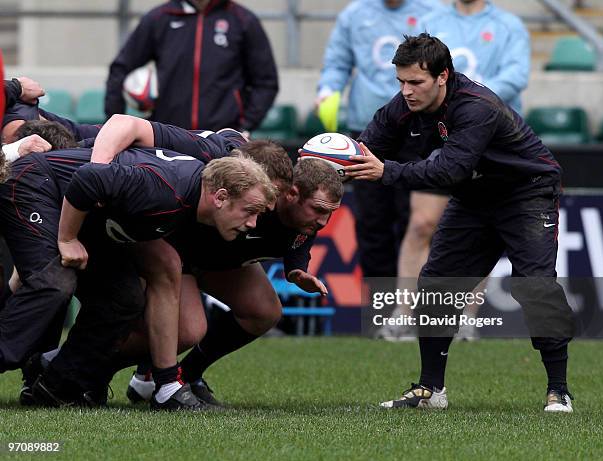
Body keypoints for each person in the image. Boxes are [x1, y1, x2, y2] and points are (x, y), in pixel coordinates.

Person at [345, 34, 575, 412]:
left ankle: (559, 390)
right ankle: (431, 391)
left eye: (415, 82)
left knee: (535, 287)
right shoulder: (404, 104)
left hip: (526, 192)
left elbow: (450, 170)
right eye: (400, 81)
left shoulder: (475, 106)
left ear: (442, 77)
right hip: (475, 197)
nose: (406, 91)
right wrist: (327, 167)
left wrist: (386, 171)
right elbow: (364, 149)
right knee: (437, 283)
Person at [0, 120, 276, 410]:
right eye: (250, 211)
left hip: (77, 207)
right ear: (220, 197)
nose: (253, 224)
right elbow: (90, 178)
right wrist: (67, 238)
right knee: (55, 282)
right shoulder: (166, 192)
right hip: (35, 184)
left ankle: (55, 386)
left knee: (124, 297)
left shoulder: (191, 200)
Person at [87, 115, 342, 406]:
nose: (323, 221)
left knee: (265, 311)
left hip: (215, 260)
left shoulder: (302, 215)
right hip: (173, 248)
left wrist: (296, 268)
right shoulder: (232, 163)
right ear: (292, 193)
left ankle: (186, 374)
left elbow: (301, 234)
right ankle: (85, 367)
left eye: (329, 212)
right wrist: (98, 171)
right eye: (319, 210)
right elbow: (131, 125)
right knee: (188, 331)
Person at [384, 0, 531, 341]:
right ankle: (405, 312)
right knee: (421, 223)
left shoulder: (509, 25)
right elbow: (412, 73)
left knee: (481, 227)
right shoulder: (431, 20)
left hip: (489, 141)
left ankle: (465, 316)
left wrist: (468, 100)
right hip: (439, 136)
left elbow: (516, 75)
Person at [316, 0, 442, 279]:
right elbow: (337, 63)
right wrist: (327, 90)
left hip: (418, 133)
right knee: (373, 224)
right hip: (369, 132)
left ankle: (416, 307)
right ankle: (381, 310)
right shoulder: (353, 14)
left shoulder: (433, 11)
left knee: (419, 223)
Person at [105, 0, 278, 132]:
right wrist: (117, 124)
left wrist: (243, 126)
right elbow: (120, 70)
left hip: (221, 140)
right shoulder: (159, 18)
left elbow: (266, 82)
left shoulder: (243, 21)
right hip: (168, 137)